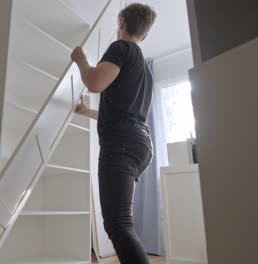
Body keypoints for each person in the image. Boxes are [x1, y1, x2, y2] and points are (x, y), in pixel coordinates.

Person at [70, 3, 157, 264]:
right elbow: (125, 112)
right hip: (141, 144)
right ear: (145, 35)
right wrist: (86, 112)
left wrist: (81, 60)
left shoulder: (122, 48)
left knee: (118, 225)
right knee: (120, 223)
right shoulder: (146, 71)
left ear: (121, 22)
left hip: (121, 144)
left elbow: (95, 81)